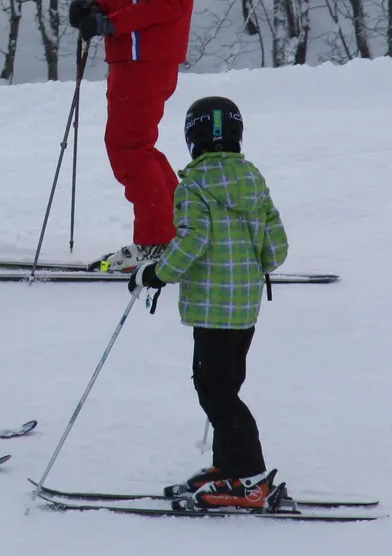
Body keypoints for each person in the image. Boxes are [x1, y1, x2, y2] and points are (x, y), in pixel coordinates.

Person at [122, 96, 289, 510]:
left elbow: (192, 240)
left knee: (215, 391)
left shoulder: (193, 185)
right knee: (225, 386)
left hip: (211, 309)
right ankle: (229, 466)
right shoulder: (253, 179)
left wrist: (156, 273)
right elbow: (276, 248)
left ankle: (251, 479)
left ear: (191, 138)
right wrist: (255, 264)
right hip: (245, 308)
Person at [69, 0, 202, 260]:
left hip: (149, 55)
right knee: (134, 147)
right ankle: (179, 230)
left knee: (129, 149)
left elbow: (172, 2)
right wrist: (97, 8)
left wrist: (112, 22)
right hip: (128, 53)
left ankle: (157, 241)